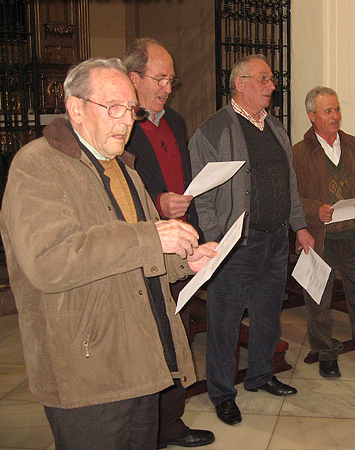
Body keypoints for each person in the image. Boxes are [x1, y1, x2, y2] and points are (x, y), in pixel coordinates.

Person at [0, 58, 218, 449]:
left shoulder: (126, 171)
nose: (126, 120)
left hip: (140, 357)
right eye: (112, 108)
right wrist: (152, 237)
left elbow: (144, 254)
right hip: (87, 365)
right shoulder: (37, 166)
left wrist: (186, 260)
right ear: (76, 108)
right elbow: (50, 261)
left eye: (131, 110)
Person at [189, 54, 314, 426]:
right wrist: (216, 241)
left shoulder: (275, 127)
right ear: (240, 83)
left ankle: (260, 375)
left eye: (271, 79)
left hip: (275, 238)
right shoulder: (212, 131)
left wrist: (299, 225)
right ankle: (222, 393)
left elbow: (289, 181)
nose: (271, 86)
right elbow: (202, 195)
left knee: (266, 315)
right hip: (235, 245)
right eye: (263, 79)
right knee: (225, 321)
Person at [124, 38, 214, 448]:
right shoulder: (122, 128)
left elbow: (186, 177)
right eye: (159, 78)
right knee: (154, 337)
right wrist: (159, 203)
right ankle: (153, 427)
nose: (166, 87)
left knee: (178, 333)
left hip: (181, 243)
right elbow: (123, 193)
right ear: (133, 78)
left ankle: (170, 423)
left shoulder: (175, 121)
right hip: (145, 246)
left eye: (170, 79)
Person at [292, 86, 355, 379]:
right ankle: (325, 353)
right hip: (319, 239)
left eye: (337, 109)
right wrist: (315, 210)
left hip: (352, 236)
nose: (335, 116)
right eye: (328, 111)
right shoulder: (299, 153)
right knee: (318, 300)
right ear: (312, 116)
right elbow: (291, 197)